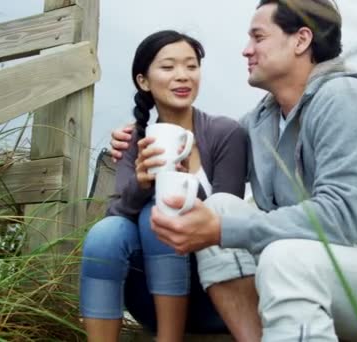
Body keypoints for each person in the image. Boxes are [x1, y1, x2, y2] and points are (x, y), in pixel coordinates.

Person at [111, 1, 357, 341]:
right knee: (219, 208)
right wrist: (141, 139)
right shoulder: (262, 121)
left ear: (300, 41)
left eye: (258, 37)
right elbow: (212, 147)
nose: (246, 50)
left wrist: (222, 229)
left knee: (281, 255)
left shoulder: (348, 99)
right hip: (319, 271)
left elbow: (339, 220)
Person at [80, 30, 250, 342]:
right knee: (105, 233)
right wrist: (143, 182)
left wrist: (184, 184)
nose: (183, 76)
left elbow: (226, 222)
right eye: (168, 67)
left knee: (160, 211)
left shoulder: (226, 133)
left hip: (215, 291)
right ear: (143, 81)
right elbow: (116, 212)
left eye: (191, 66)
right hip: (149, 299)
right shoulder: (135, 139)